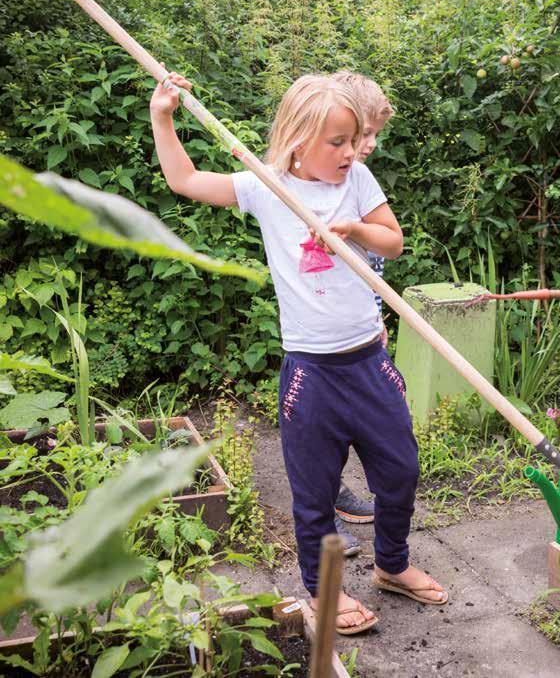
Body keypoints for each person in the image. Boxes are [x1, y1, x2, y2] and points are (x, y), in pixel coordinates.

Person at [150, 69, 447, 634]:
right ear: (297, 140)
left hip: (369, 361)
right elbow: (186, 181)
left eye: (351, 139)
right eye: (336, 142)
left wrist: (356, 229)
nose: (348, 152)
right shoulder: (265, 186)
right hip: (311, 372)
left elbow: (395, 241)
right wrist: (163, 115)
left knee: (400, 470)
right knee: (313, 494)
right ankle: (321, 592)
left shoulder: (357, 180)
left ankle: (392, 563)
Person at [328, 70, 395, 556]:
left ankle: (338, 493)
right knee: (325, 424)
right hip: (324, 336)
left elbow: (384, 251)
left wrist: (378, 321)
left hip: (363, 325)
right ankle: (326, 508)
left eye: (372, 135)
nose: (368, 145)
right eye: (361, 134)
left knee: (363, 418)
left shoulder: (358, 179)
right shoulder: (321, 182)